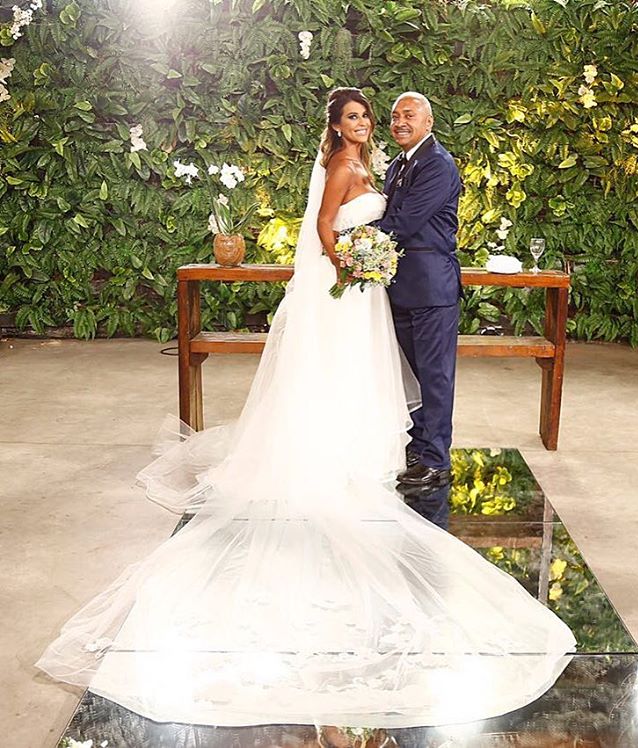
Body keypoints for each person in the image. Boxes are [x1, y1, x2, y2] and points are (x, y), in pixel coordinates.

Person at [37, 88, 575, 731]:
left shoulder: (429, 164)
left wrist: (364, 254)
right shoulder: (357, 165)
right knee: (358, 374)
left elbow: (403, 222)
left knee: (428, 381)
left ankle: (427, 458)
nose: (381, 123)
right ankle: (386, 452)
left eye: (387, 116)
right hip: (365, 286)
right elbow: (327, 225)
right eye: (366, 116)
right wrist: (352, 260)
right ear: (338, 126)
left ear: (425, 121)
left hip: (408, 285)